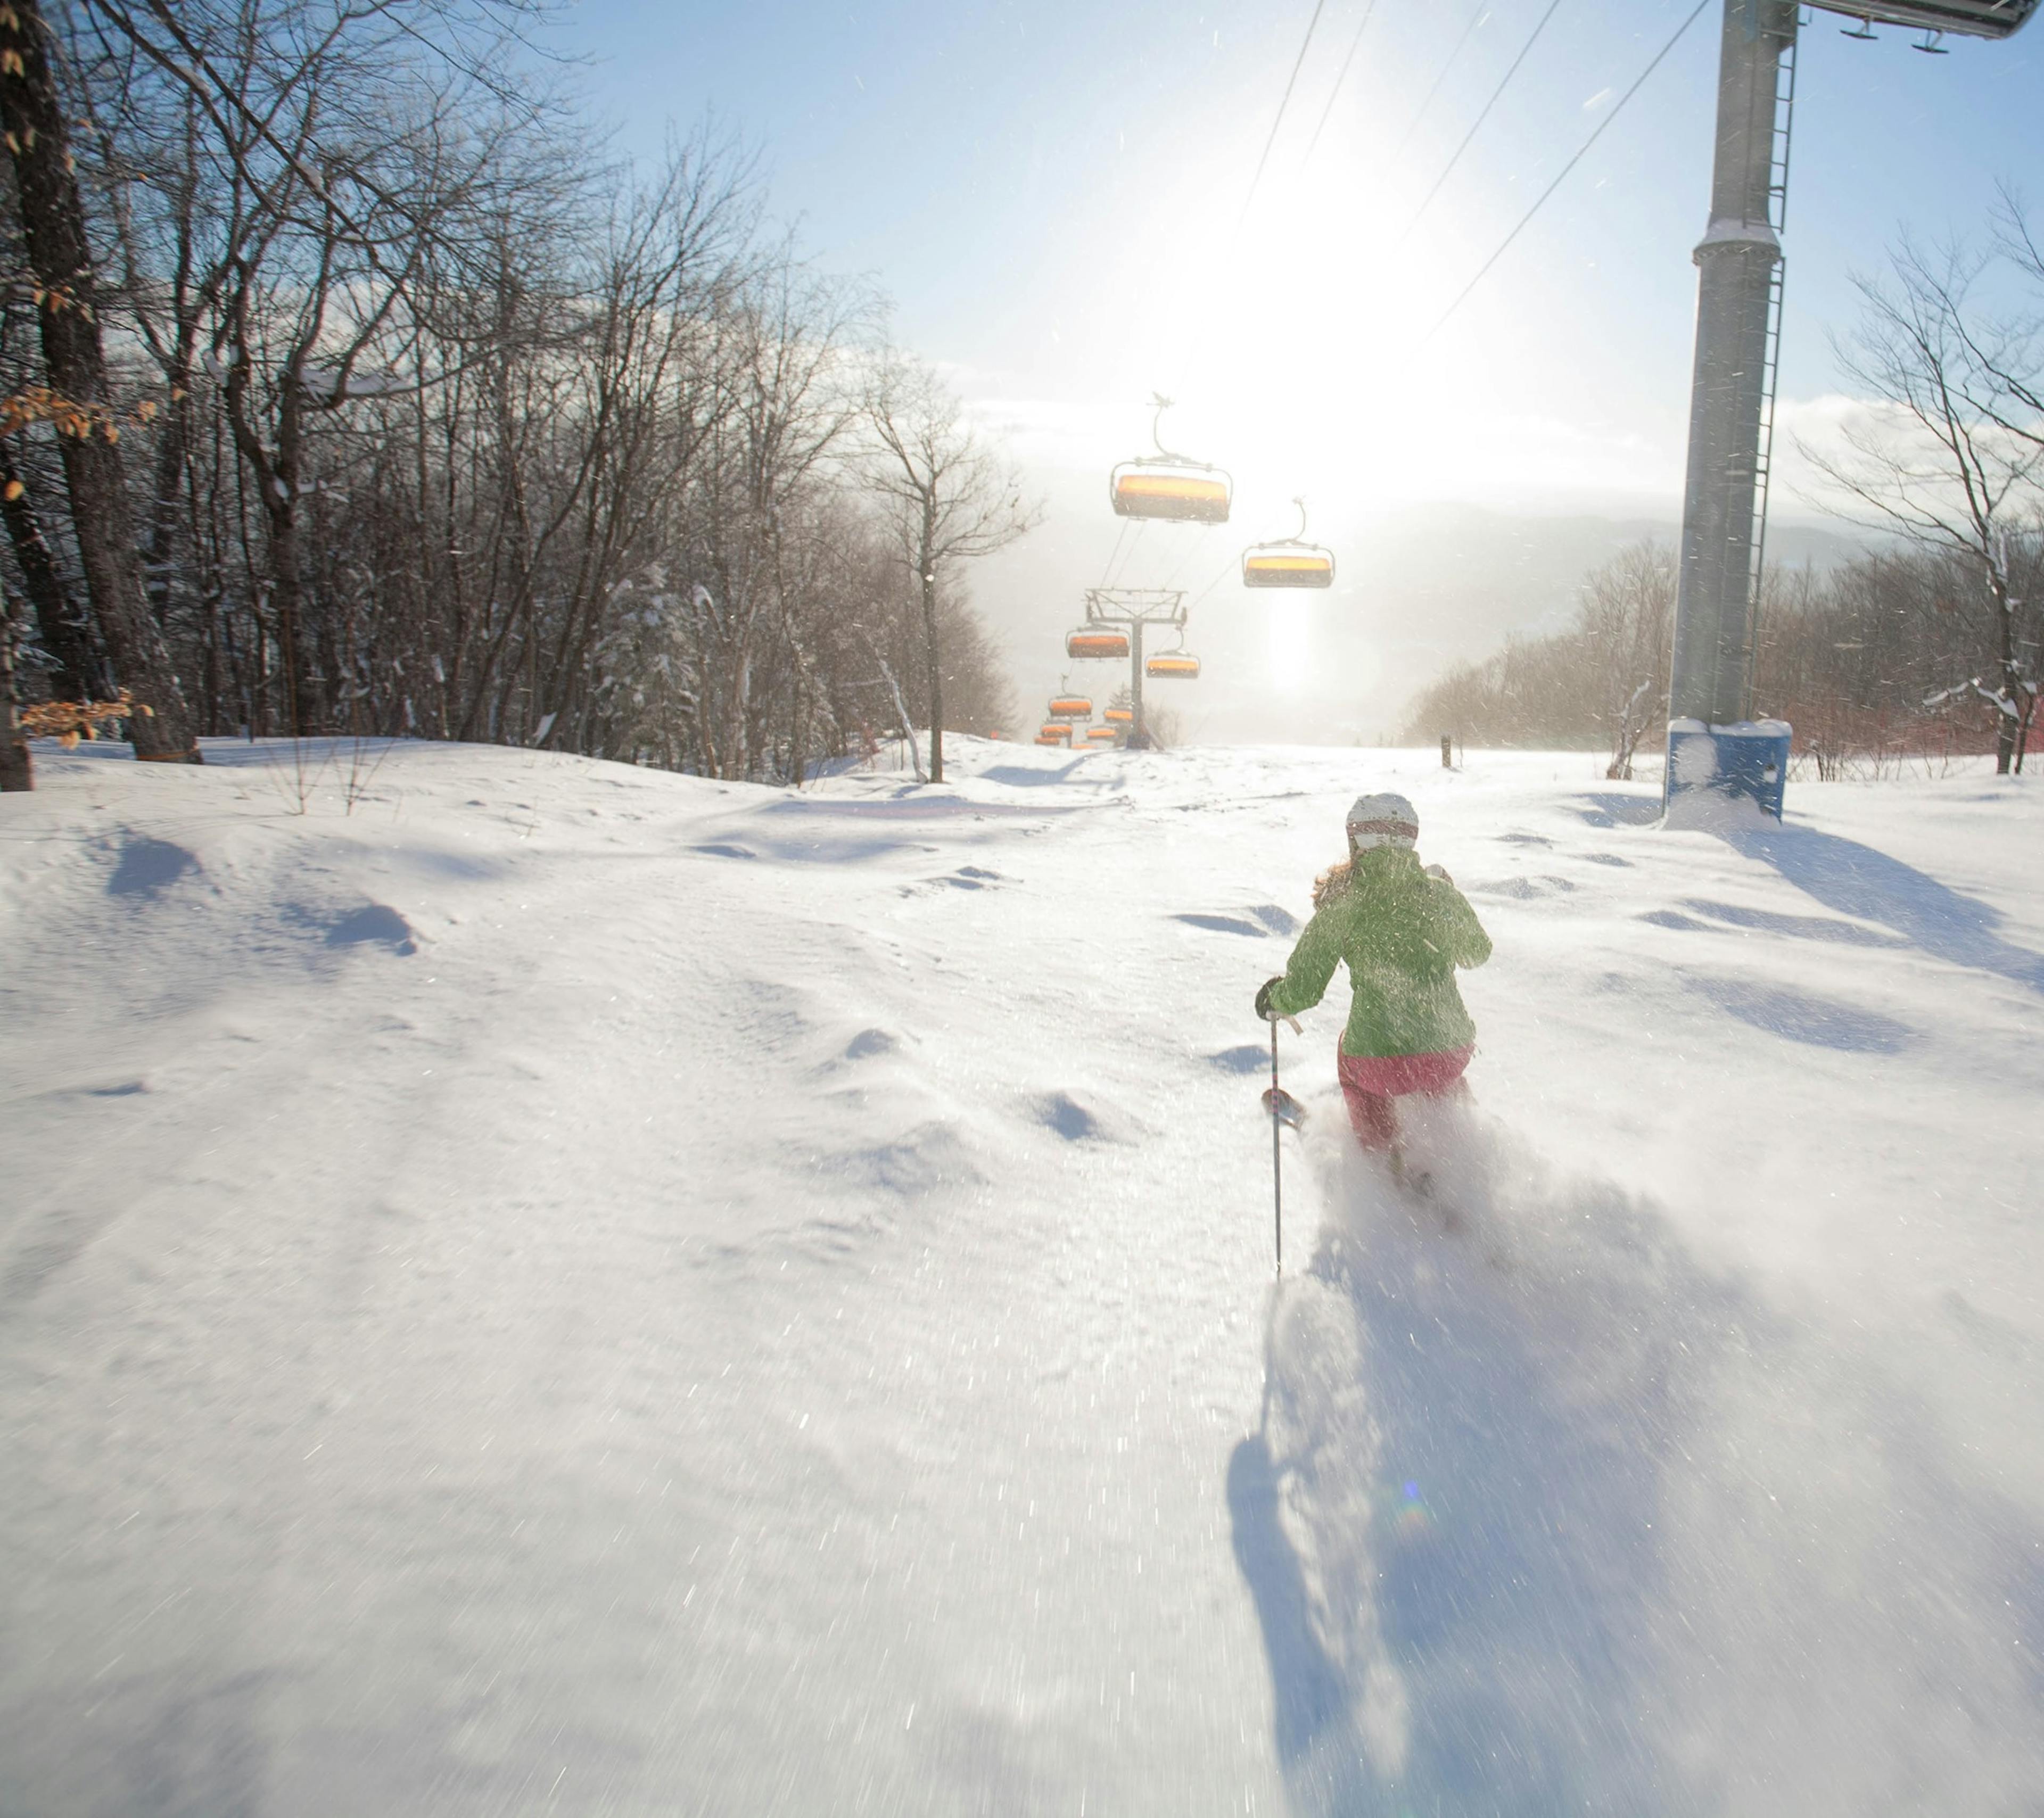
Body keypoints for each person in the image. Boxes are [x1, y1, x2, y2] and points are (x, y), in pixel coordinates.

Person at [1255, 792, 1491, 1156]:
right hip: (1450, 1050)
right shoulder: (1438, 894)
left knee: (1353, 1059)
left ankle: (1381, 1154)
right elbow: (1476, 952)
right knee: (1437, 1075)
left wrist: (1275, 999)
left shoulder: (1346, 902)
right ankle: (1463, 1146)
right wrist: (1449, 902)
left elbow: (1305, 989)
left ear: (1358, 840)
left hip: (1379, 1061)